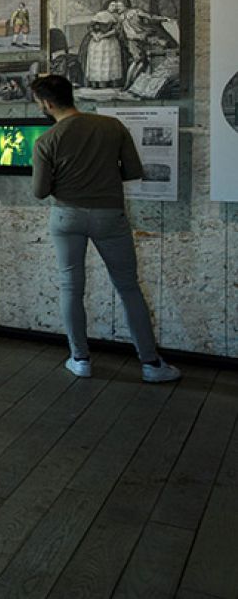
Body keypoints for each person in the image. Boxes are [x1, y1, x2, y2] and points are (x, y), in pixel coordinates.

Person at [28, 75, 181, 383]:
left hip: (66, 217)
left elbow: (40, 191)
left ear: (46, 103)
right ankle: (151, 364)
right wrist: (103, 179)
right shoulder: (112, 126)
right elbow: (134, 170)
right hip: (109, 216)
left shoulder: (46, 140)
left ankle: (80, 359)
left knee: (71, 287)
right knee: (128, 287)